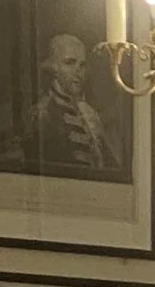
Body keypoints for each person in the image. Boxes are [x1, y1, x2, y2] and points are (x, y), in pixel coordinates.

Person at [24, 26, 122, 177]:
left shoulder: (89, 113)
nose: (78, 71)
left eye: (82, 65)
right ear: (53, 67)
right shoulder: (43, 113)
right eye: (69, 63)